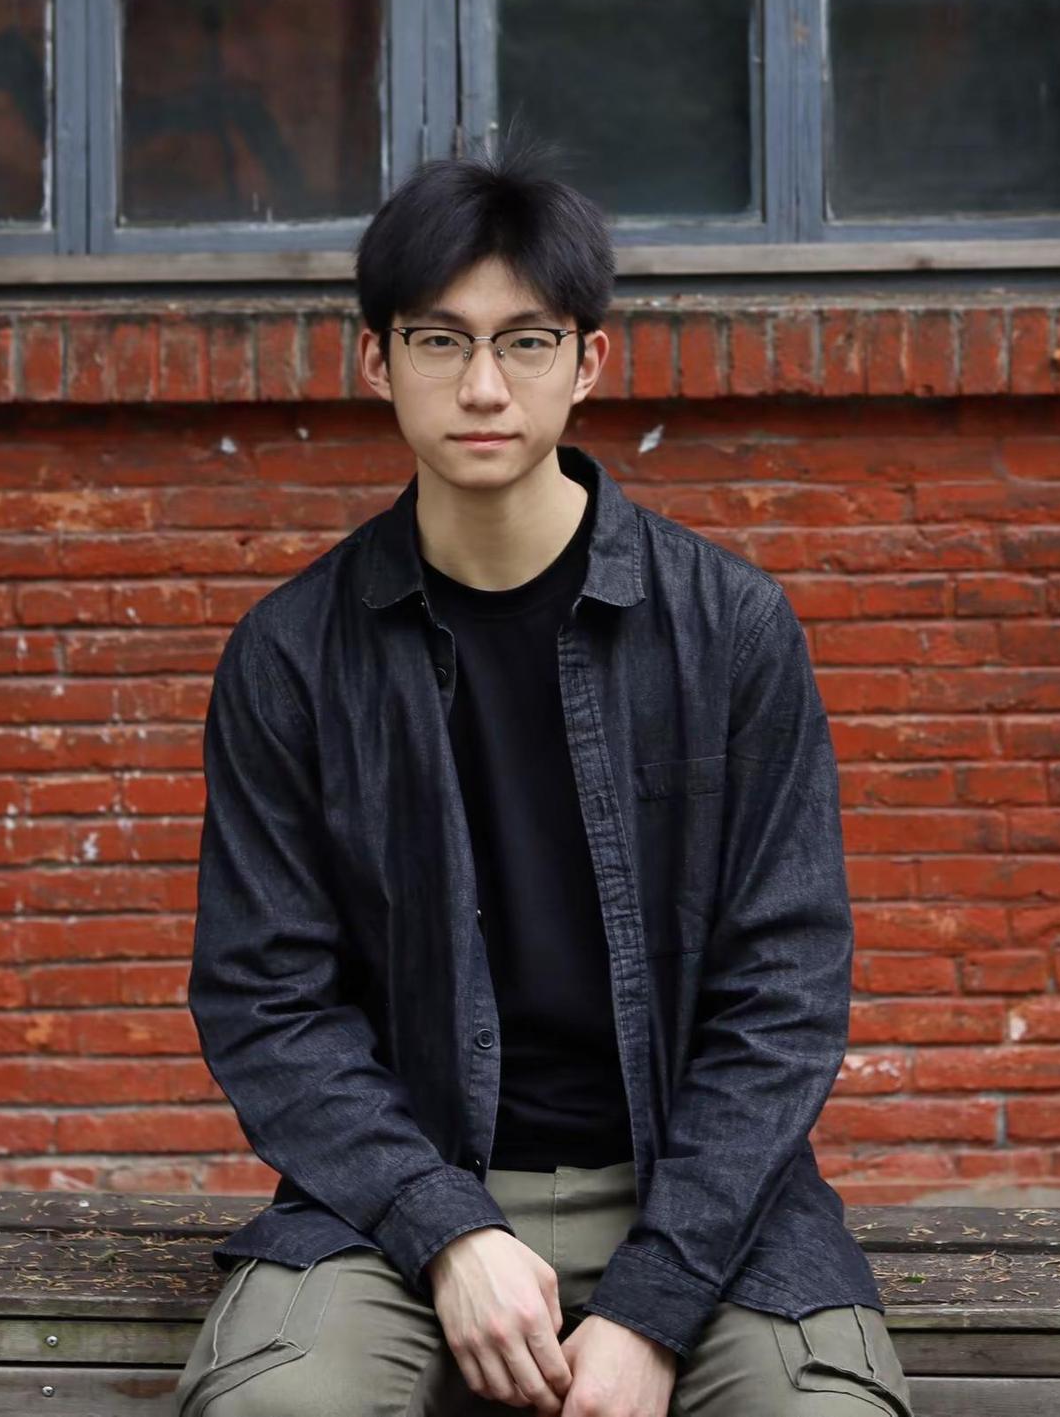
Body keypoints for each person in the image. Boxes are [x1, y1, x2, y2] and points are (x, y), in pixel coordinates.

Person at [175, 142, 915, 1417]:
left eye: (524, 342)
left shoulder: (728, 629)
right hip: (393, 1201)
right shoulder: (291, 656)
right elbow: (265, 1001)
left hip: (697, 1196)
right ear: (376, 361)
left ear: (587, 362)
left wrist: (654, 1302)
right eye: (438, 340)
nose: (481, 385)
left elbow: (786, 993)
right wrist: (445, 1228)